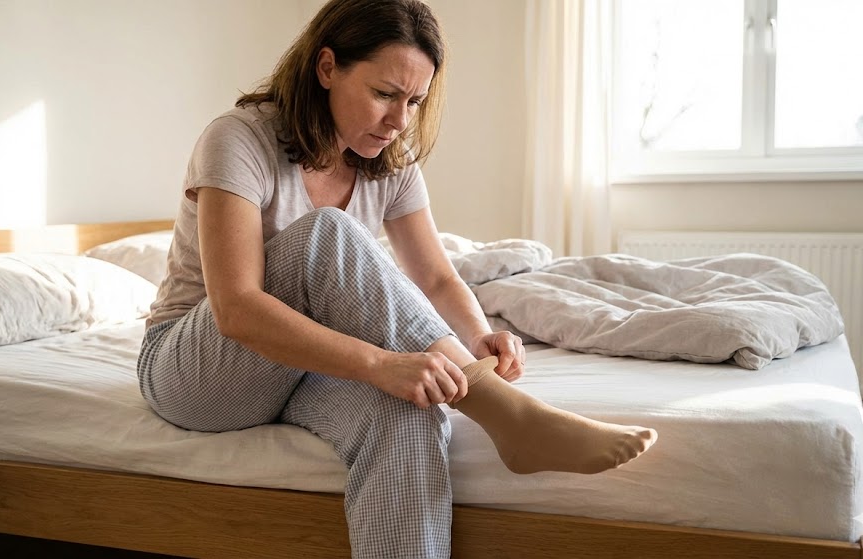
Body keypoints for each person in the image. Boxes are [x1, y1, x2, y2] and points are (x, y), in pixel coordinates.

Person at [137, 0, 657, 557]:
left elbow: (434, 277)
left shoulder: (389, 158)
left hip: (300, 367)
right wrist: (382, 363)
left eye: (415, 100)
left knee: (410, 408)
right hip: (198, 373)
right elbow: (236, 308)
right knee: (325, 236)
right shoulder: (238, 140)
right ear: (327, 67)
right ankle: (510, 416)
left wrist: (476, 338)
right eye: (385, 94)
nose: (400, 120)